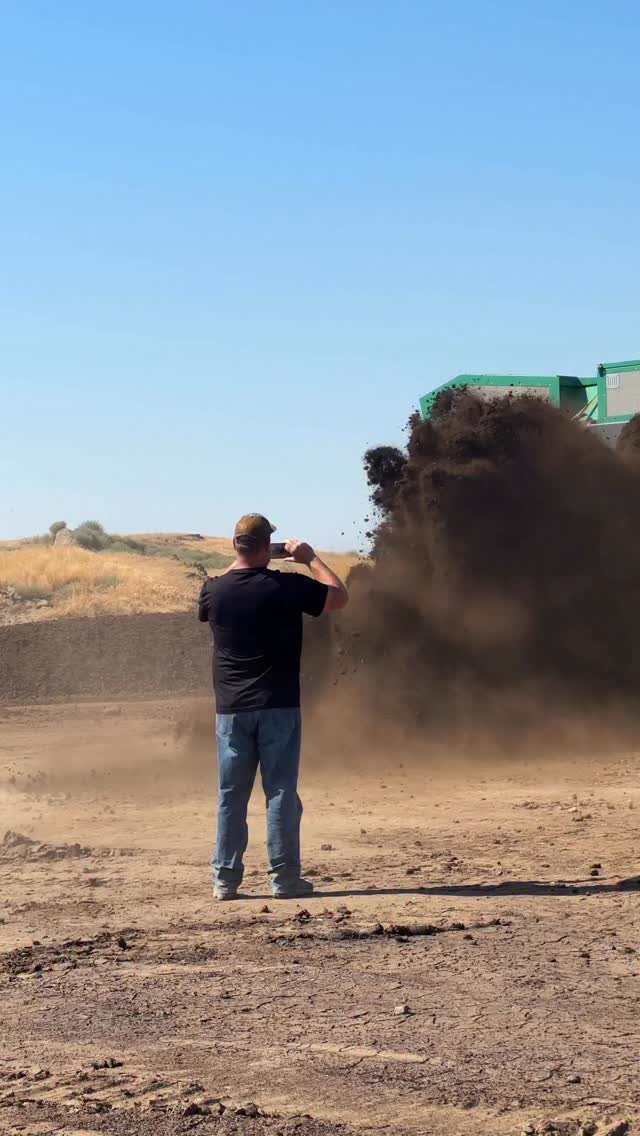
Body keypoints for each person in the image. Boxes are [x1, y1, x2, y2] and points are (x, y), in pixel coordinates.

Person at [198, 513, 349, 900]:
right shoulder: (288, 586)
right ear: (270, 548)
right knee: (280, 792)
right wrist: (310, 558)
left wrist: (244, 560)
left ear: (234, 545)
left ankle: (225, 881)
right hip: (279, 705)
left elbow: (222, 585)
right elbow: (338, 596)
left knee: (231, 794)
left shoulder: (212, 591)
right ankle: (284, 880)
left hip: (231, 710)